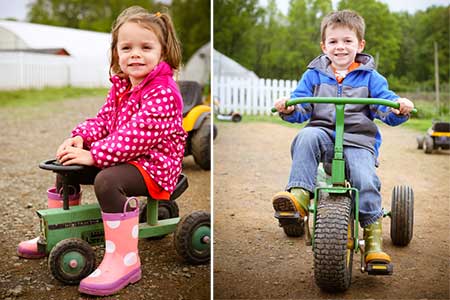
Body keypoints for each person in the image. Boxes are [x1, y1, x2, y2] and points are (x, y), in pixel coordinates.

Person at [17, 6, 186, 296]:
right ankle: (59, 235)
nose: (135, 54)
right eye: (127, 47)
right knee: (67, 164)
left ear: (163, 51)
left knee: (107, 181)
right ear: (116, 53)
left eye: (146, 47)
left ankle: (124, 260)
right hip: (126, 156)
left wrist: (96, 156)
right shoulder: (121, 86)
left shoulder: (163, 91)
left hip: (155, 164)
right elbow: (104, 120)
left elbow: (139, 136)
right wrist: (81, 139)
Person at [272, 10, 414, 268]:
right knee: (306, 135)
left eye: (347, 41)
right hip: (324, 136)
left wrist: (398, 107)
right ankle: (300, 195)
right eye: (334, 41)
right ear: (324, 46)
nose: (340, 47)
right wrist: (290, 108)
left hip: (358, 141)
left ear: (360, 45)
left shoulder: (371, 77)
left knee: (365, 178)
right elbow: (302, 108)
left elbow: (386, 107)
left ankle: (372, 241)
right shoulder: (313, 75)